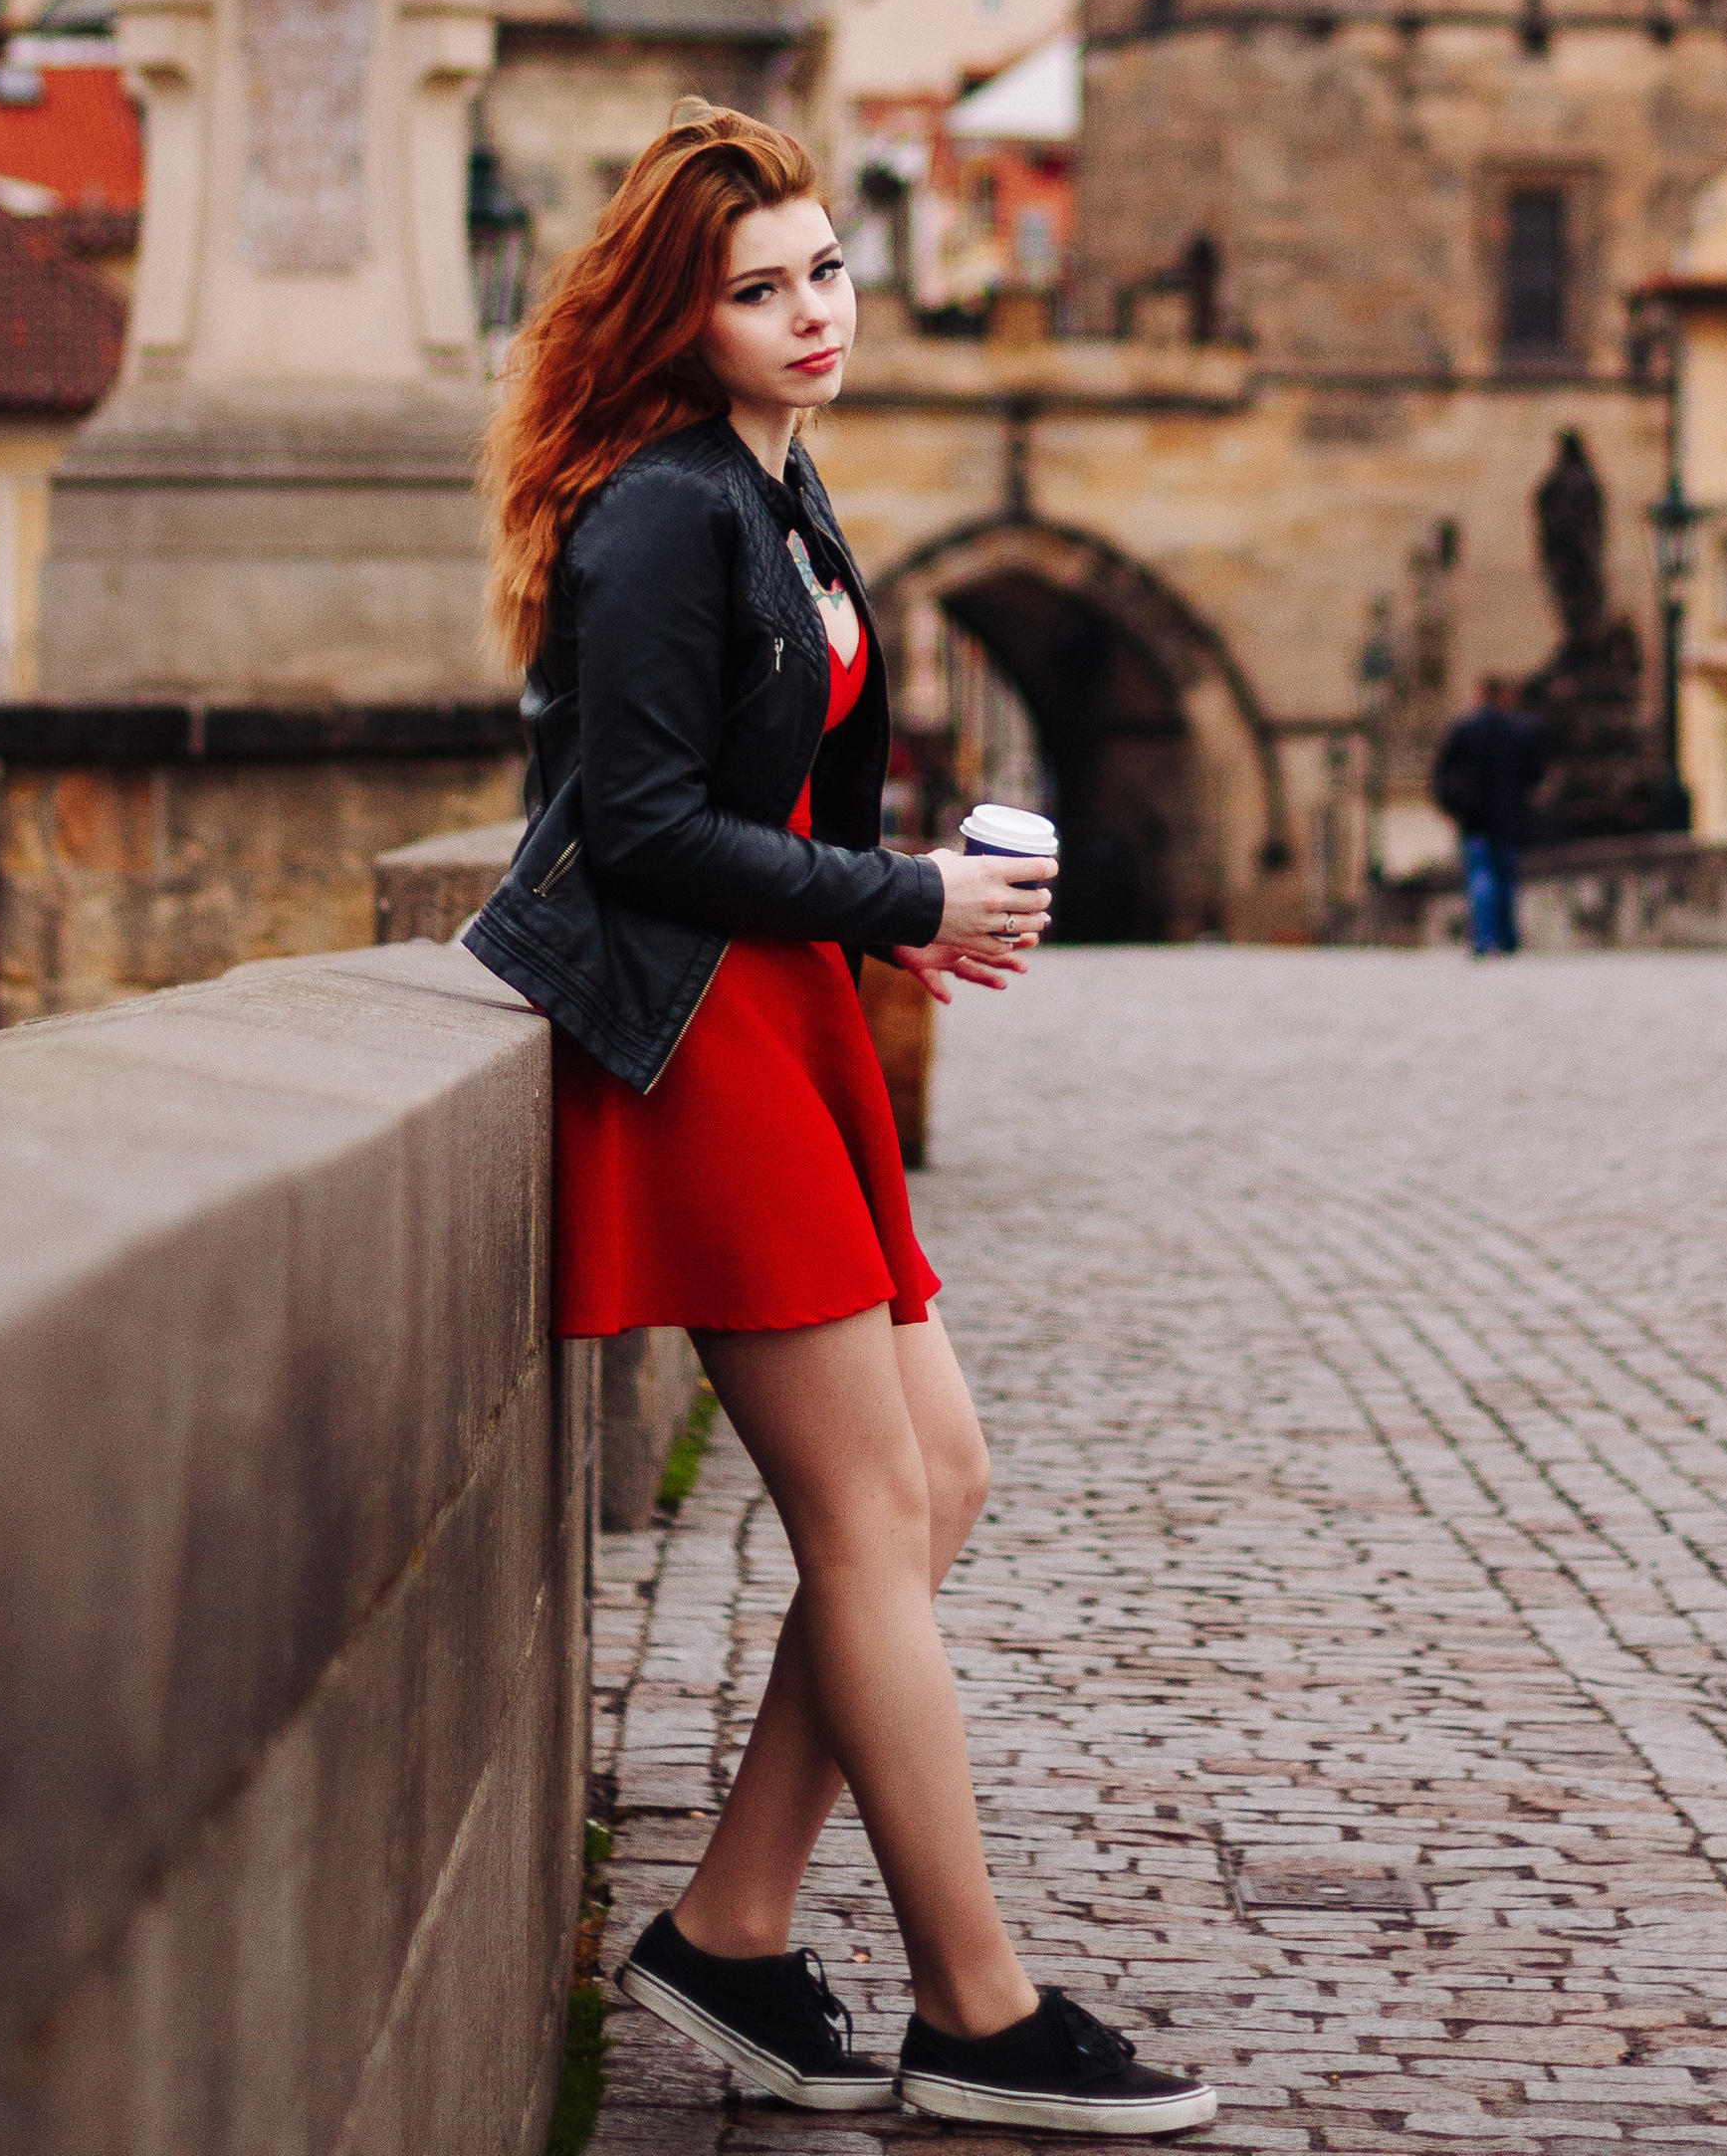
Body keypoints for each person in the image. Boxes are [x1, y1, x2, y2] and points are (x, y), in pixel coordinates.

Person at [464, 104, 1215, 2134]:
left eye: (825, 271)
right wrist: (902, 902)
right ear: (676, 316)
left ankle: (728, 1927)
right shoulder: (655, 513)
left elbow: (770, 799)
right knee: (871, 1515)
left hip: (782, 1024)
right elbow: (637, 832)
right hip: (700, 1048)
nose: (812, 313)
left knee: (935, 1480)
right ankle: (975, 2006)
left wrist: (908, 912)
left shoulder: (776, 492)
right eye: (759, 287)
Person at [1432, 676, 1547, 959]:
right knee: (1506, 878)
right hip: (1509, 817)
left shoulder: (1463, 729)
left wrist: (1453, 807)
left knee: (1481, 877)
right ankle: (1507, 937)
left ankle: (1485, 938)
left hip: (1475, 818)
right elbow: (1535, 776)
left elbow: (1442, 775)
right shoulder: (1520, 731)